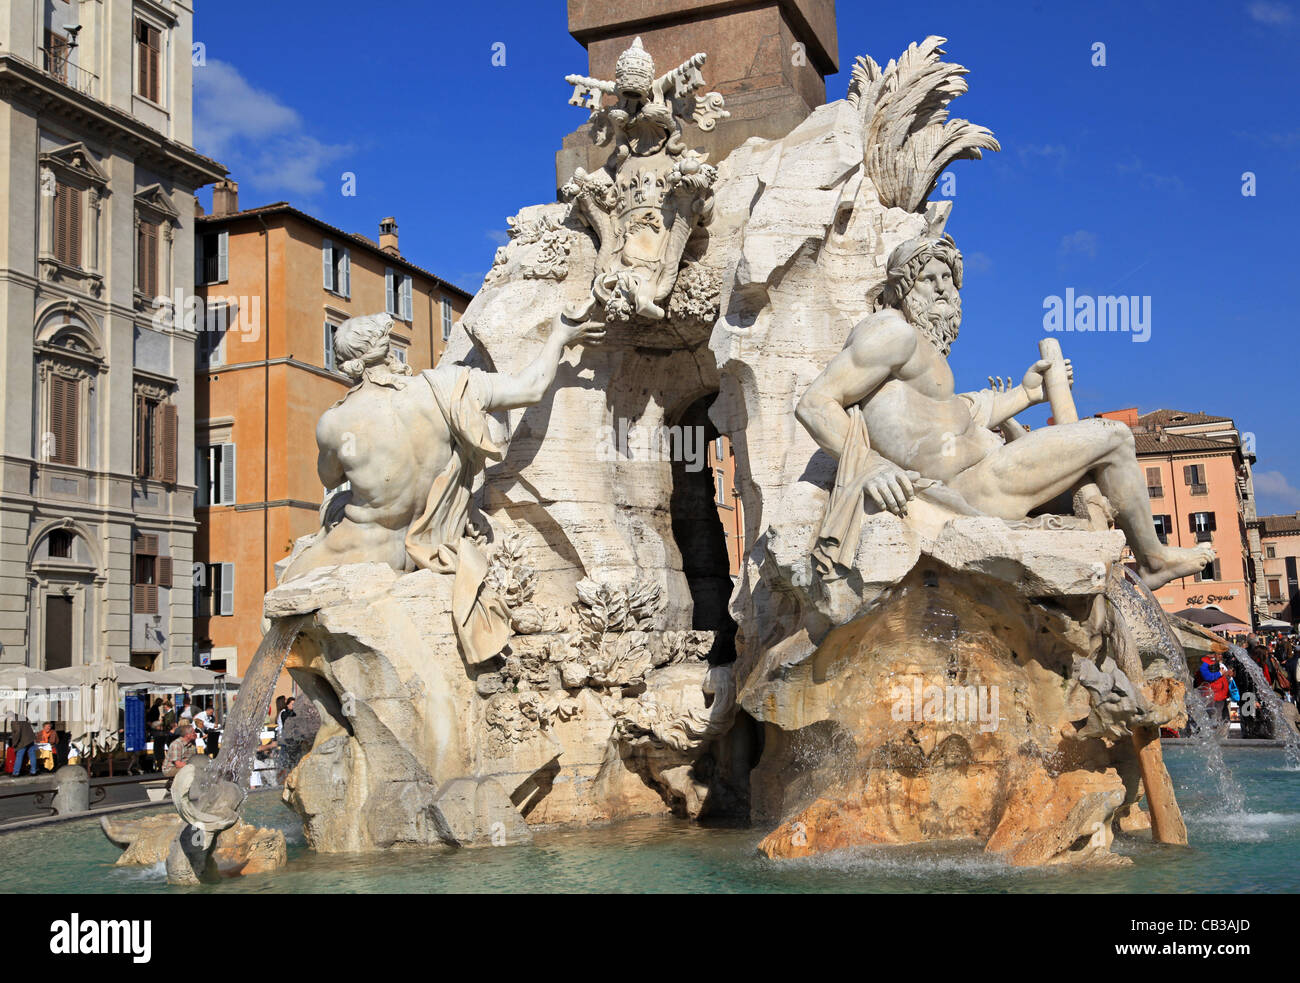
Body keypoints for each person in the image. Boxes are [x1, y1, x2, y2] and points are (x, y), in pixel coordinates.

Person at [795, 235, 1216, 588]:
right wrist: (869, 466)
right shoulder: (892, 334)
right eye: (929, 279)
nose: (943, 287)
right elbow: (815, 404)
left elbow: (959, 414)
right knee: (1115, 436)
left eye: (948, 278)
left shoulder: (921, 351)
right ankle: (1154, 560)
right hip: (968, 489)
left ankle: (1132, 556)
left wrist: (1025, 394)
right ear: (905, 288)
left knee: (1092, 468)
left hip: (981, 473)